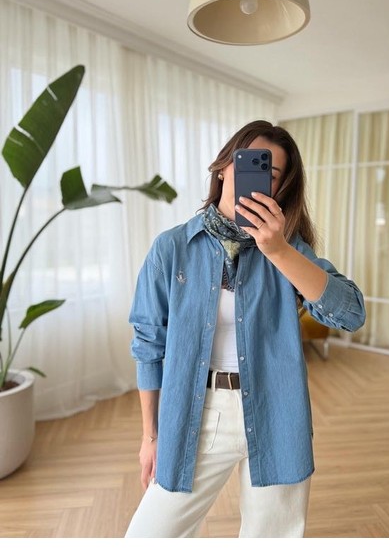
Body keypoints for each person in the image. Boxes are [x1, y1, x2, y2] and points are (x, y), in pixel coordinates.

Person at [125, 120, 366, 538]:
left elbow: (351, 314)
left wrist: (278, 250)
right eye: (246, 162)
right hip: (196, 413)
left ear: (279, 188)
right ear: (223, 167)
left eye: (269, 173)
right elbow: (149, 344)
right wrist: (151, 436)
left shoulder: (288, 250)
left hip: (278, 411)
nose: (254, 176)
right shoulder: (172, 248)